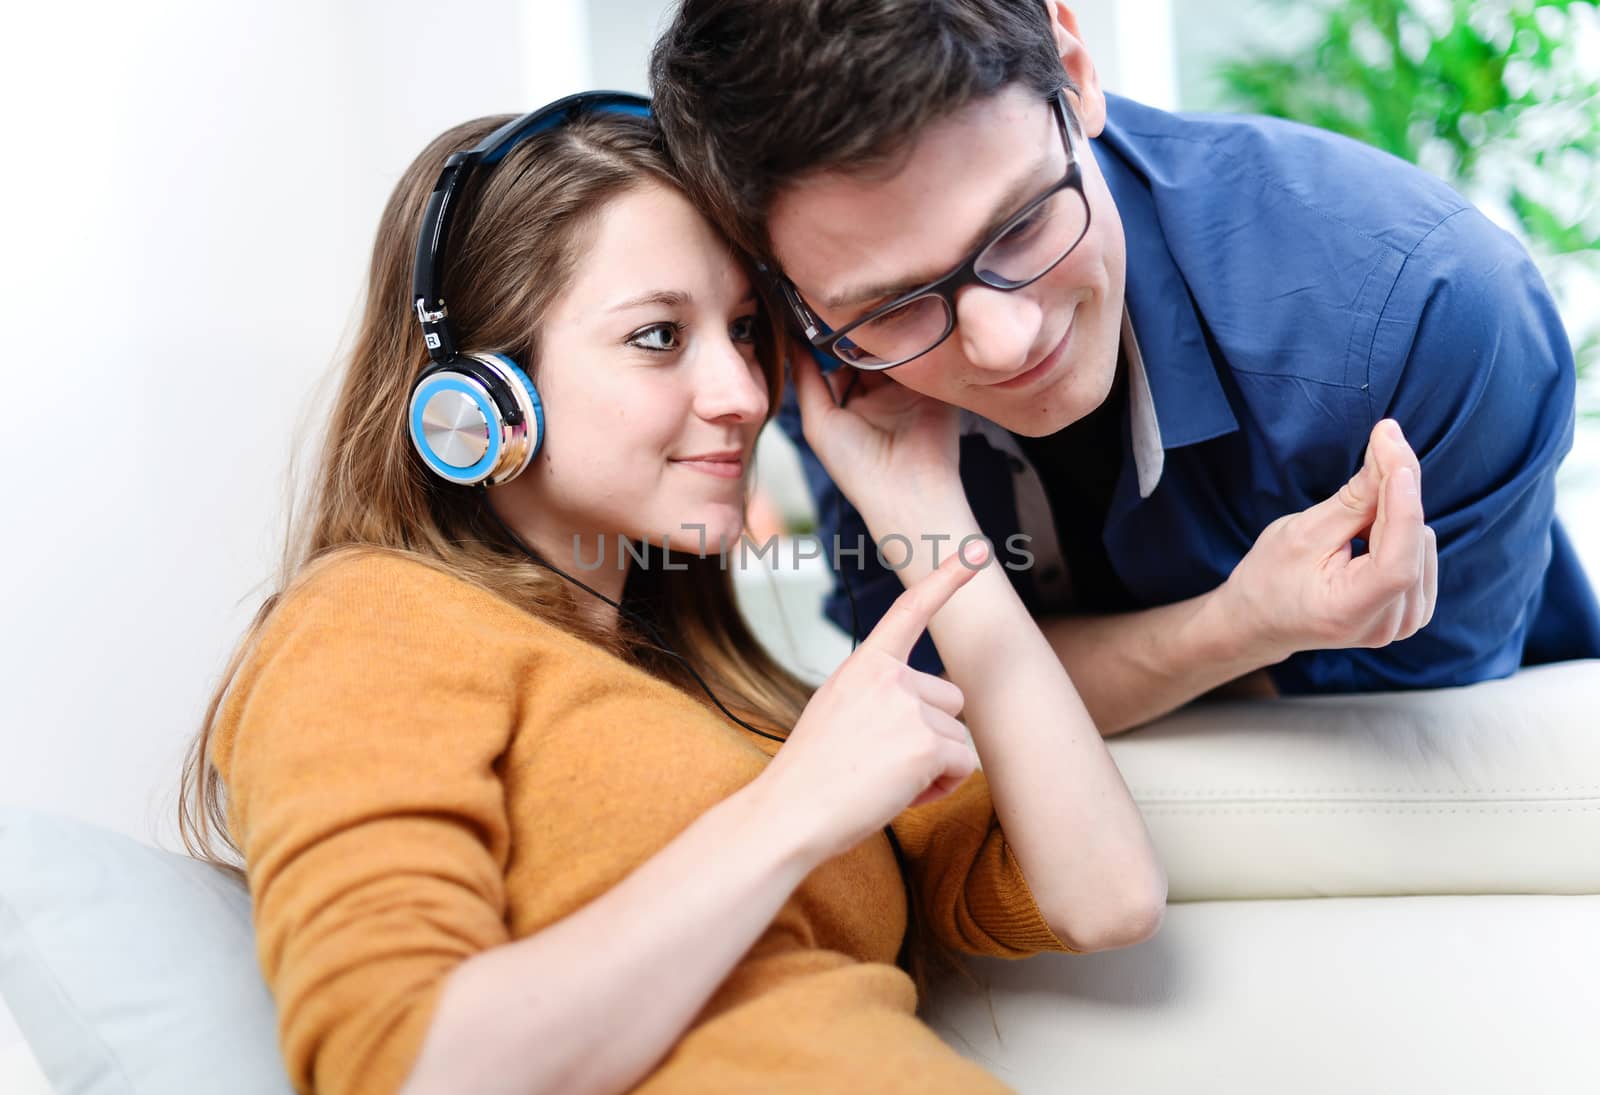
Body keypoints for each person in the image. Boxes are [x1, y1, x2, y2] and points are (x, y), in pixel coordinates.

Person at [177, 97, 1165, 1095]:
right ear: (479, 392)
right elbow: (409, 1070)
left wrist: (927, 514)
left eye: (744, 330)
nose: (741, 391)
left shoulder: (736, 700)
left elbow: (1103, 897)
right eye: (657, 336)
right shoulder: (374, 621)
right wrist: (796, 811)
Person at [649, 0, 1600, 734]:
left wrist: (1043, 669)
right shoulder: (825, 353)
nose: (1002, 343)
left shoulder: (1427, 311)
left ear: (1073, 69)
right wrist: (1239, 628)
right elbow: (927, 696)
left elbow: (1415, 728)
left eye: (1021, 223)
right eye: (895, 306)